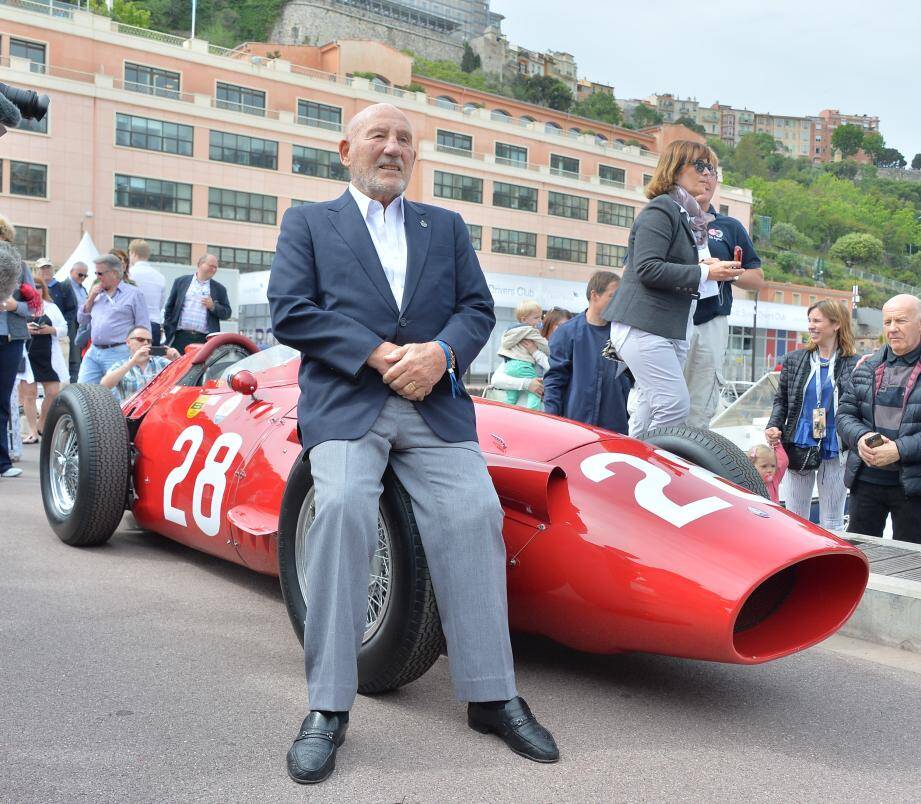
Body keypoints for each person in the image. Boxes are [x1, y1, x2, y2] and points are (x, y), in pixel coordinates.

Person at [268, 102, 558, 786]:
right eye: (379, 135)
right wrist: (376, 355)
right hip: (349, 403)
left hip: (434, 408)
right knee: (340, 509)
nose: (392, 147)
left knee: (475, 516)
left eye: (404, 139)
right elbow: (291, 310)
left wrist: (441, 355)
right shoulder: (309, 223)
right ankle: (328, 708)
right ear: (347, 149)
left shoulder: (446, 227)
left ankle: (490, 696)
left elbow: (477, 310)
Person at [602, 140, 744, 437]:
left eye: (712, 168)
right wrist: (706, 271)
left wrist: (709, 270)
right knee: (673, 405)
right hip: (645, 325)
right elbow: (647, 268)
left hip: (666, 327)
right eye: (701, 166)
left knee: (649, 408)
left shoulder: (685, 215)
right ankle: (655, 471)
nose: (708, 174)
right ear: (676, 169)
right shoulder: (661, 209)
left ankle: (635, 470)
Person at [765, 300, 857, 530]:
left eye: (817, 321)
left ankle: (832, 563)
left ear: (836, 324)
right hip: (800, 439)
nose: (811, 326)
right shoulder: (795, 360)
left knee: (833, 520)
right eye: (810, 321)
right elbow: (782, 400)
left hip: (836, 443)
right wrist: (774, 425)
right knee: (795, 519)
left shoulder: (854, 364)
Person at [683, 172, 764, 428]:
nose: (705, 180)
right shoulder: (667, 218)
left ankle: (687, 461)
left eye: (712, 174)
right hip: (669, 319)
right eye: (699, 172)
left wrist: (727, 274)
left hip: (711, 320)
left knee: (701, 402)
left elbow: (756, 277)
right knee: (660, 401)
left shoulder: (729, 226)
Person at [837, 294, 921, 542]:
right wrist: (862, 437)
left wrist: (899, 450)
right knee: (860, 558)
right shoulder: (867, 366)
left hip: (913, 486)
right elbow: (845, 414)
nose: (892, 329)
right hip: (865, 481)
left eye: (901, 321)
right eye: (887, 322)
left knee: (911, 565)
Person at [544, 271, 632, 434]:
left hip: (617, 424)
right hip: (577, 424)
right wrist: (551, 419)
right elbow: (555, 380)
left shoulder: (622, 333)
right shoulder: (567, 333)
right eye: (612, 295)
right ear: (594, 295)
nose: (618, 301)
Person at [76, 254, 150, 383]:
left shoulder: (133, 294)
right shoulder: (97, 293)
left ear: (114, 273)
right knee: (83, 392)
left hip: (119, 352)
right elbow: (82, 320)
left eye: (100, 273)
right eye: (96, 273)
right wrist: (91, 297)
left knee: (117, 395)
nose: (97, 277)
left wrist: (139, 351)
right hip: (94, 351)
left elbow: (143, 325)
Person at [19, 274, 68, 441]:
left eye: (39, 286)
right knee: (29, 394)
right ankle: (32, 431)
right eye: (33, 287)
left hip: (47, 356)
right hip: (27, 354)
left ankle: (42, 422)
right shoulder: (21, 306)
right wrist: (26, 328)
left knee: (53, 391)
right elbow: (13, 327)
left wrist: (51, 330)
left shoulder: (51, 307)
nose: (36, 290)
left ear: (43, 289)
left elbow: (64, 329)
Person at [0, 235, 33, 479]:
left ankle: (2, 462)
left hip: (11, 340)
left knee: (2, 402)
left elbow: (33, 307)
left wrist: (14, 306)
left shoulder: (18, 266)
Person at [163, 254, 231, 354]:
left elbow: (227, 313)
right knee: (178, 367)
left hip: (204, 340)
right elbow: (169, 307)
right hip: (180, 337)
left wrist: (213, 306)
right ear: (200, 264)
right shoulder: (181, 282)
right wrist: (168, 328)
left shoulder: (219, 289)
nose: (213, 269)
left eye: (215, 267)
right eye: (210, 266)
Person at [101, 326, 180, 402]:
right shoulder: (121, 365)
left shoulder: (162, 362)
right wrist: (133, 362)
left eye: (149, 341)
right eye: (140, 339)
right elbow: (104, 385)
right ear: (128, 342)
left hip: (158, 410)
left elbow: (187, 378)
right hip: (131, 413)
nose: (146, 343)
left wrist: (178, 357)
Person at [34, 258, 77, 366]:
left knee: (58, 371)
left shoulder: (63, 286)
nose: (46, 270)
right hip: (35, 338)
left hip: (58, 337)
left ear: (53, 269)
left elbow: (72, 310)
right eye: (42, 268)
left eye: (48, 267)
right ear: (36, 270)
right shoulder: (29, 287)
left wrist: (58, 325)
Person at [497, 325, 548, 409]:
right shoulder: (530, 334)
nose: (540, 321)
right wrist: (527, 384)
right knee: (536, 391)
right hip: (527, 413)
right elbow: (496, 380)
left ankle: (504, 410)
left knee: (511, 398)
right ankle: (533, 411)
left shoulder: (511, 338)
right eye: (537, 317)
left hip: (511, 365)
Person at [127, 240, 167, 346]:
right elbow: (161, 303)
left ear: (133, 253)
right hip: (154, 324)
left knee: (131, 360)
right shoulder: (159, 276)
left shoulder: (129, 274)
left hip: (133, 325)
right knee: (152, 359)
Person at [67, 262, 89, 382]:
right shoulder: (65, 286)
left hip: (82, 327)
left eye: (85, 276)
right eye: (80, 274)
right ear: (71, 272)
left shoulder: (83, 288)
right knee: (74, 360)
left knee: (80, 359)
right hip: (72, 326)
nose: (82, 278)